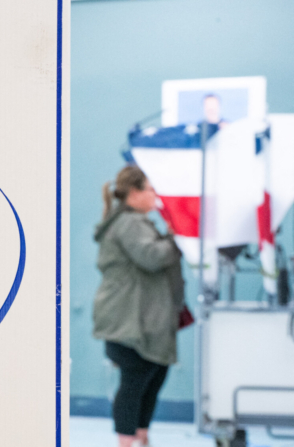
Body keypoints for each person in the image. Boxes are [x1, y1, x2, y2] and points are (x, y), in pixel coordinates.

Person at [92, 165, 185, 447]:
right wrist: (176, 236)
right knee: (135, 384)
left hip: (142, 321)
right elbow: (150, 256)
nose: (155, 195)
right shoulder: (129, 223)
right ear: (133, 193)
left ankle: (141, 437)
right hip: (129, 322)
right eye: (150, 189)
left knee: (152, 378)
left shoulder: (137, 221)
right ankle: (127, 441)